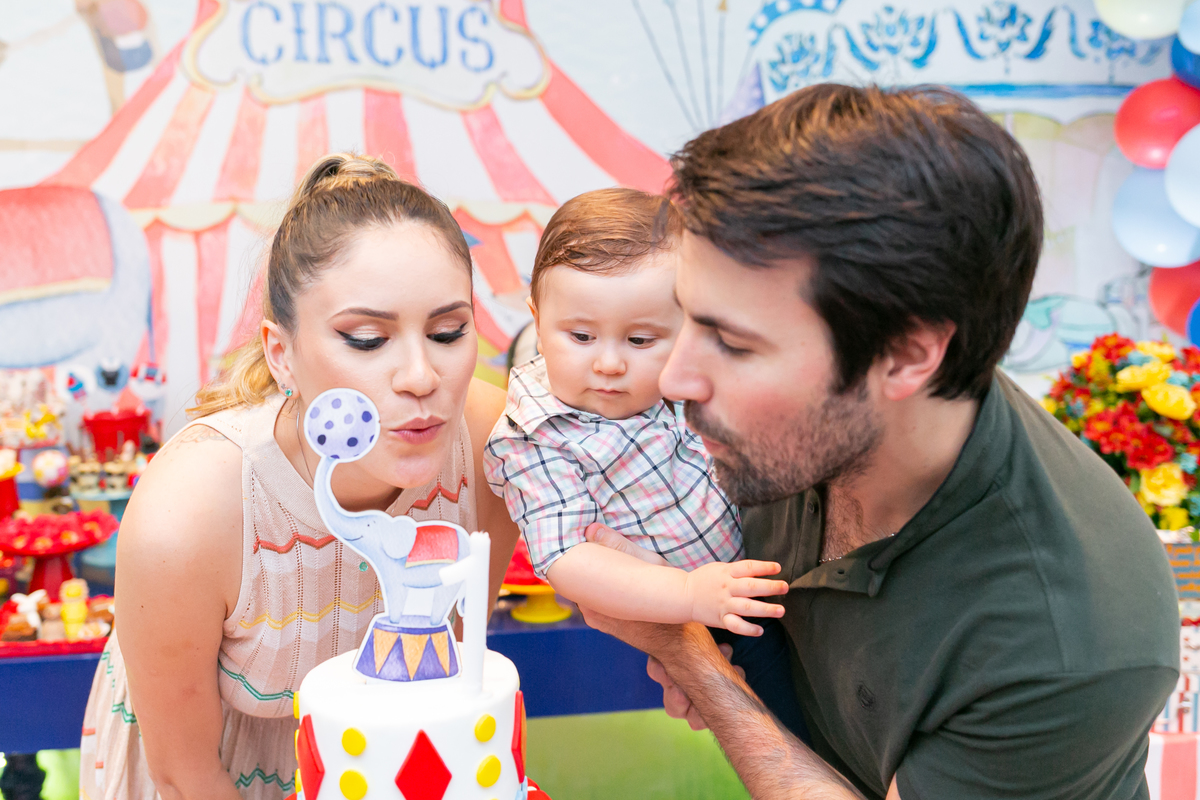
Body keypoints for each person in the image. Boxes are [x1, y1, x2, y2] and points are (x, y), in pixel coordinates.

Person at [580, 84, 1180, 799]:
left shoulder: (1067, 638)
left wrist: (693, 662)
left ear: (905, 355)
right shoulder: (805, 429)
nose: (675, 379)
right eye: (686, 317)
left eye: (734, 344)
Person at [78, 154, 521, 800]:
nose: (422, 376)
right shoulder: (190, 513)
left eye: (448, 331)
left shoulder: (491, 444)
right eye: (368, 340)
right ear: (281, 354)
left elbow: (449, 685)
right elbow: (184, 773)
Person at [483, 188, 807, 739]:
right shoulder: (534, 436)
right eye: (580, 336)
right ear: (537, 320)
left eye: (640, 339)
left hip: (776, 566)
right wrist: (687, 596)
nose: (609, 363)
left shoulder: (684, 377)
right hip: (719, 622)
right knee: (796, 736)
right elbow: (568, 558)